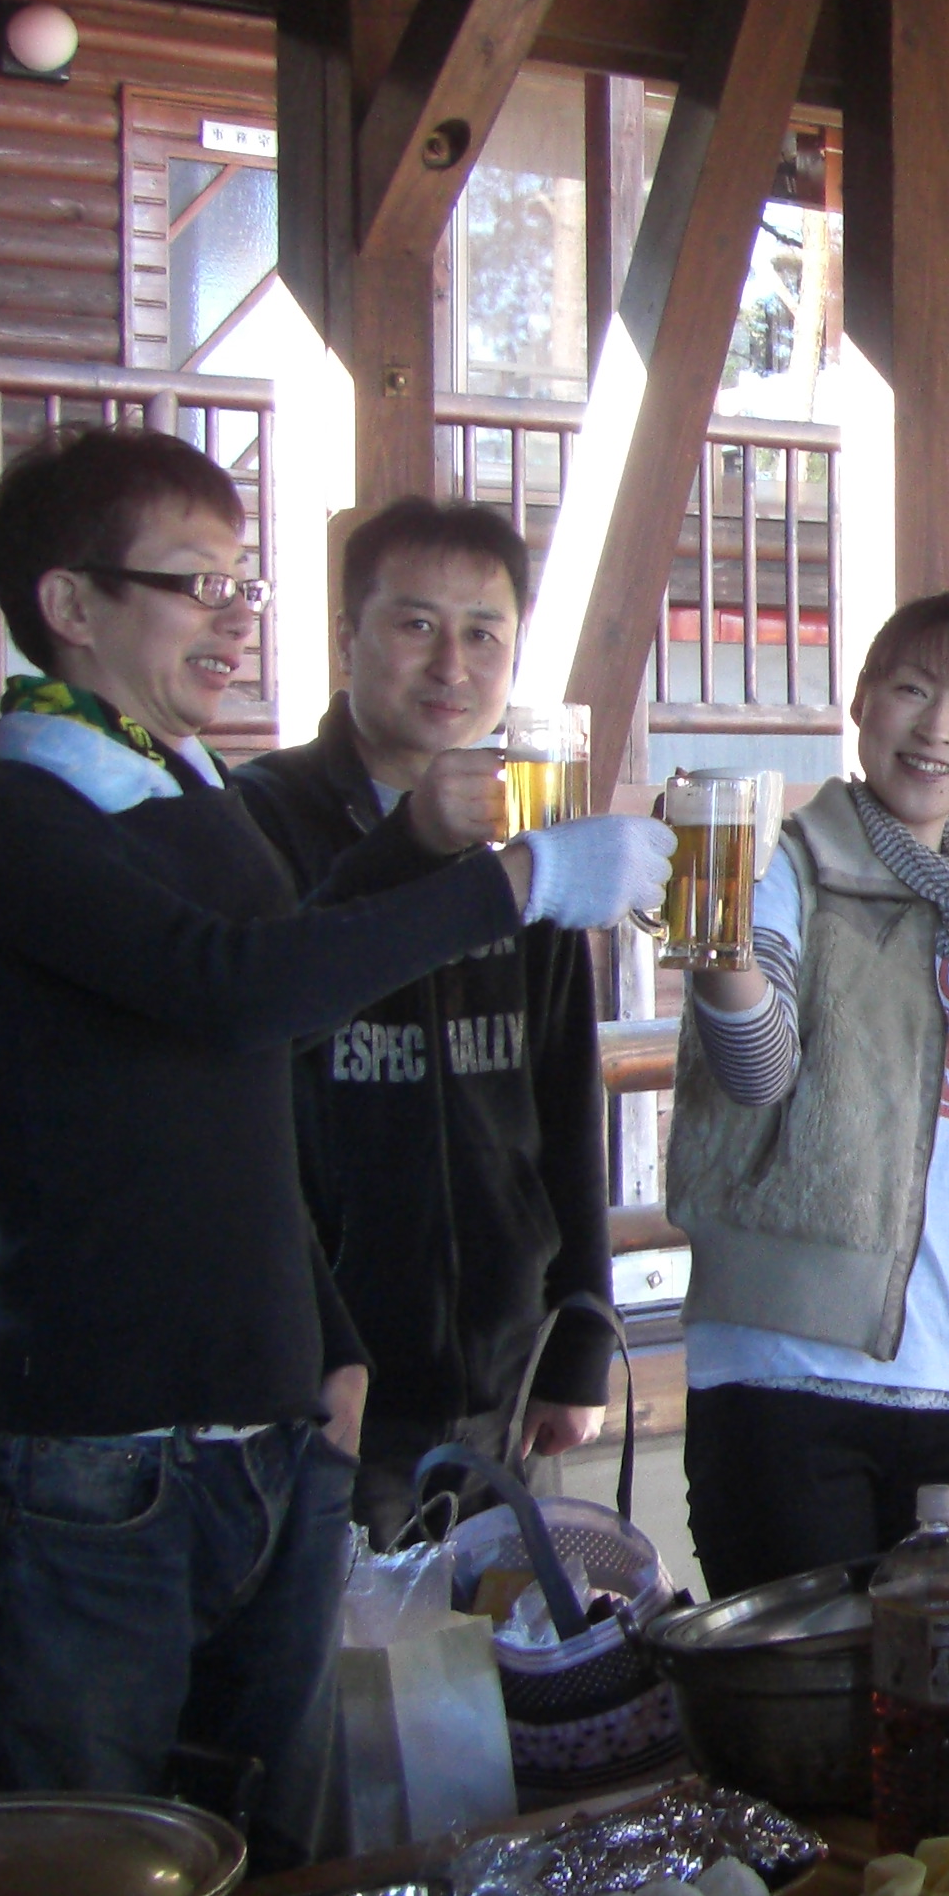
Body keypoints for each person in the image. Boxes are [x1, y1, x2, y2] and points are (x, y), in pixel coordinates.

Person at [0, 427, 668, 1869]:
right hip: (93, 1452)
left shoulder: (187, 800)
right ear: (71, 606)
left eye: (239, 585)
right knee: (71, 1881)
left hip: (274, 1435)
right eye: (195, 586)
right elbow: (235, 985)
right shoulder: (0, 820)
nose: (231, 619)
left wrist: (324, 1340)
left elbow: (261, 1054)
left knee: (276, 1867)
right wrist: (512, 876)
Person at [664, 584, 949, 1599]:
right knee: (805, 1700)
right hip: (785, 1382)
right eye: (912, 690)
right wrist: (718, 952)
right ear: (860, 700)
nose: (938, 728)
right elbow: (756, 1069)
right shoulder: (781, 864)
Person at [234, 498, 614, 1548]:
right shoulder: (260, 816)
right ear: (344, 635)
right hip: (327, 1375)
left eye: (484, 633)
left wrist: (580, 1337)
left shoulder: (526, 825)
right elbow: (253, 1050)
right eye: (415, 624)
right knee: (343, 1648)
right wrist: (409, 844)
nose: (452, 664)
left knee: (496, 1643)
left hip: (504, 1369)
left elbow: (565, 1090)